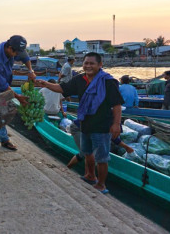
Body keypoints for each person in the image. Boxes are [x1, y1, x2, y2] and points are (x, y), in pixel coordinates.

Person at [36, 52, 123, 194]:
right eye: (86, 63)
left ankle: (101, 184)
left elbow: (117, 105)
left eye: (92, 63)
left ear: (100, 65)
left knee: (102, 157)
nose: (88, 66)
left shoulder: (108, 81)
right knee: (87, 152)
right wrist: (45, 84)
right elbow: (63, 88)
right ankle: (90, 175)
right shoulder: (79, 79)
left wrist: (116, 124)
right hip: (85, 122)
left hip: (102, 125)